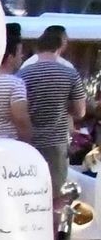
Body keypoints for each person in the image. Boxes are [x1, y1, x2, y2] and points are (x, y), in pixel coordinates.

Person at [19, 25, 88, 196]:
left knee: (29, 192)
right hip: (56, 144)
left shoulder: (23, 73)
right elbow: (80, 112)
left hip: (29, 142)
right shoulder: (69, 73)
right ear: (62, 44)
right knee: (55, 195)